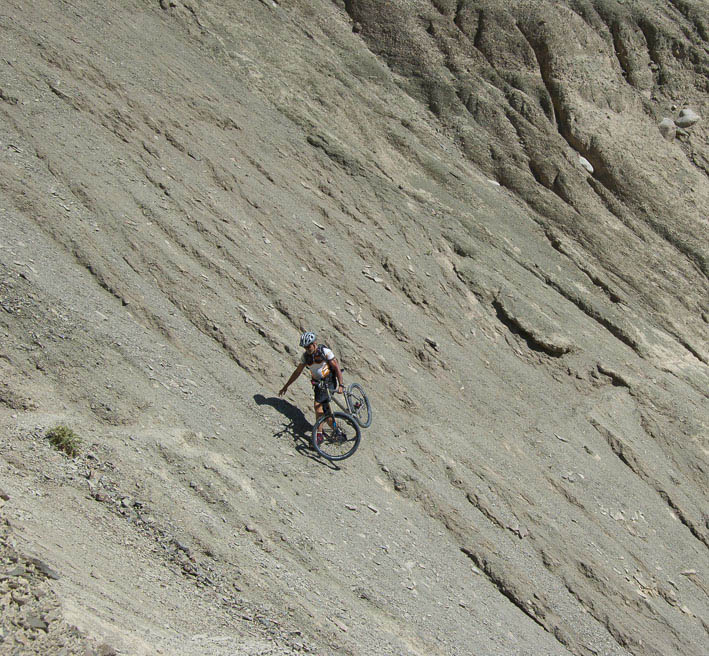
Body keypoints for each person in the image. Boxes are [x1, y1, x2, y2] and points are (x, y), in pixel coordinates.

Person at [278, 331, 344, 443]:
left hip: (329, 380)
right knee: (325, 412)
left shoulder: (325, 352)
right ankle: (338, 432)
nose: (307, 349)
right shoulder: (305, 357)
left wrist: (341, 384)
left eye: (309, 346)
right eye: (305, 347)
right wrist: (286, 386)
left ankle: (318, 436)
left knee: (318, 406)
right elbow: (297, 372)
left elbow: (336, 367)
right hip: (318, 384)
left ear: (314, 343)